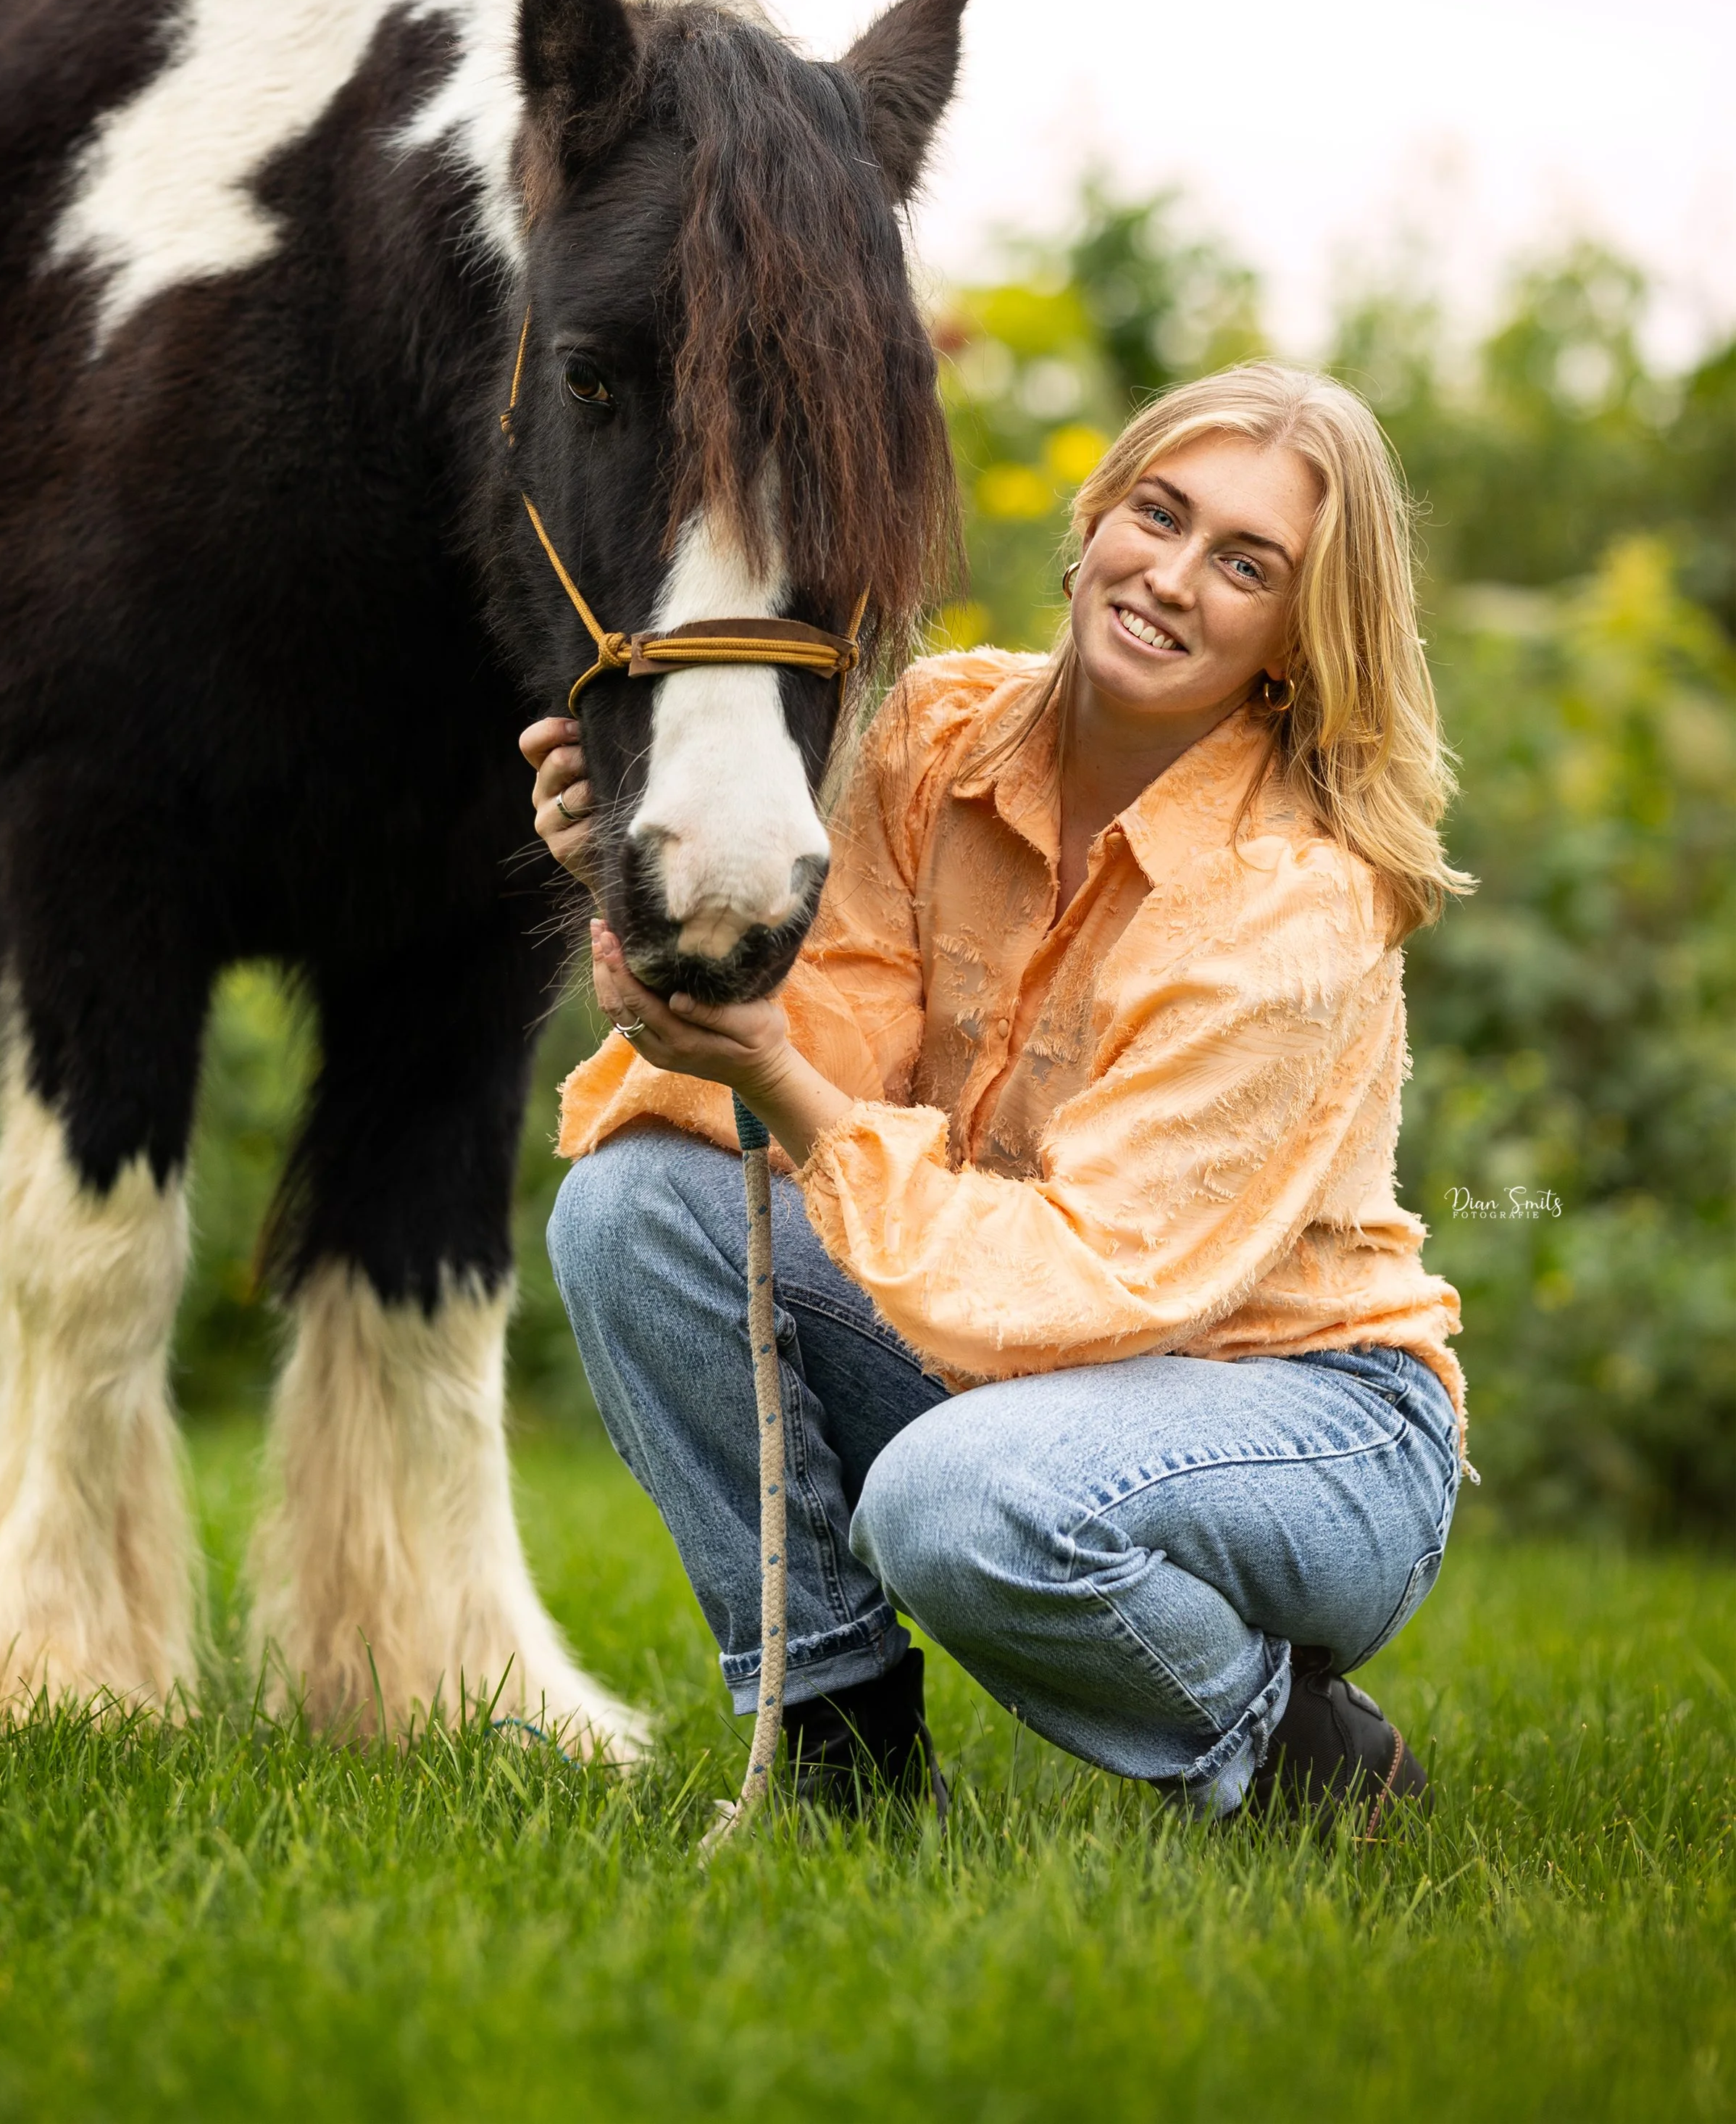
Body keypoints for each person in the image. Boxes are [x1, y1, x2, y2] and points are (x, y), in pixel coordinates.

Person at [524, 362, 1468, 1830]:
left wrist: (774, 1076)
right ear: (1094, 515)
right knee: (632, 1209)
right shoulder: (940, 734)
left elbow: (1091, 1275)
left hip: (1295, 1416)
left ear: (1290, 640)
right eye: (1156, 514)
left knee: (954, 1505)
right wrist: (647, 878)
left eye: (1243, 564)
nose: (1167, 575)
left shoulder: (1289, 900)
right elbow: (826, 1041)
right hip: (1017, 1361)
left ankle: (1290, 1752)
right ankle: (845, 1762)